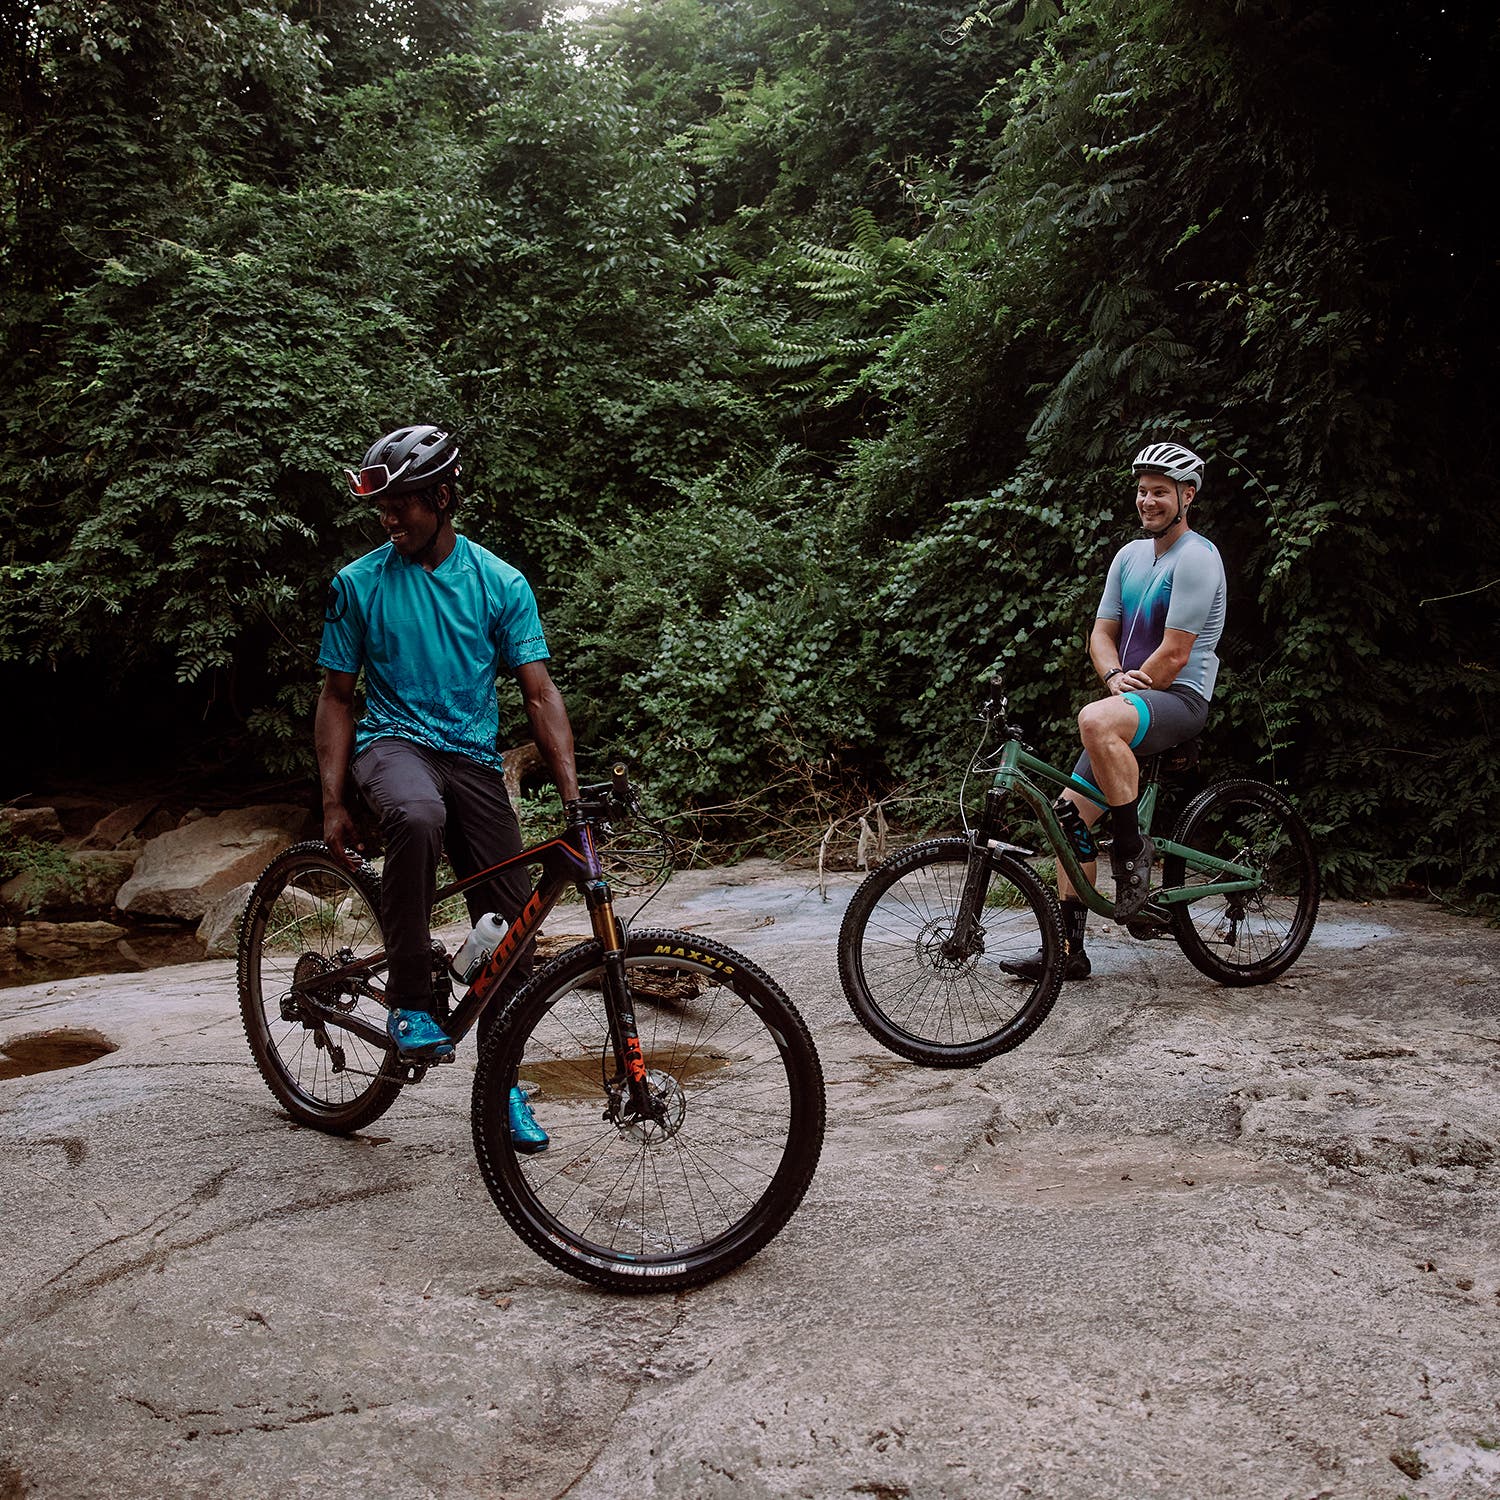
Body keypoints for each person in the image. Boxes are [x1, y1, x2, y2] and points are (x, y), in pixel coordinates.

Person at [314, 424, 580, 1146]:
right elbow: (339, 697)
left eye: (401, 504)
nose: (389, 519)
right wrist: (334, 801)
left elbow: (539, 692)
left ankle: (503, 1086)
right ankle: (407, 1001)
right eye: (381, 509)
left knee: (512, 931)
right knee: (419, 814)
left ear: (441, 495)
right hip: (393, 745)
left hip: (473, 758)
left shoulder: (500, 584)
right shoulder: (358, 585)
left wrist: (571, 798)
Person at [1004, 440, 1226, 982]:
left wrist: (1122, 696)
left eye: (1161, 492)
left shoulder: (1198, 557)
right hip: (1129, 698)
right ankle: (1067, 951)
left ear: (1187, 496)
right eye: (1143, 491)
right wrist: (1112, 679)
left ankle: (1131, 855)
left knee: (1095, 719)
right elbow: (1100, 635)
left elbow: (1175, 655)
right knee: (1067, 820)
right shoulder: (1129, 556)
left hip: (1179, 697)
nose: (1148, 501)